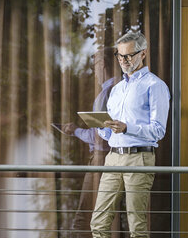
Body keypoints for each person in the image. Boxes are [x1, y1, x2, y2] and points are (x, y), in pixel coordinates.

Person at [90, 32, 170, 238]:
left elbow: (159, 130)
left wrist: (127, 128)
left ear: (143, 54)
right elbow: (110, 134)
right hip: (113, 157)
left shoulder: (155, 86)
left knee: (137, 226)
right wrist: (101, 126)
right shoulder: (116, 90)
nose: (123, 61)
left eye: (129, 56)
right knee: (98, 223)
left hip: (139, 158)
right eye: (120, 56)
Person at [61, 47, 116, 237]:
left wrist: (74, 130)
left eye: (96, 65)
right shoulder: (114, 91)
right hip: (107, 158)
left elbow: (99, 137)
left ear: (104, 64)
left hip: (101, 159)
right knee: (101, 216)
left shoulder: (107, 94)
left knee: (83, 218)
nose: (94, 71)